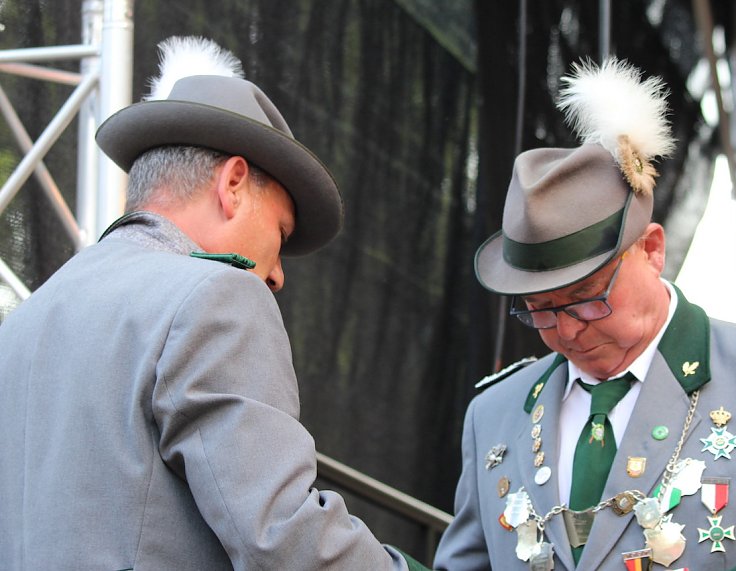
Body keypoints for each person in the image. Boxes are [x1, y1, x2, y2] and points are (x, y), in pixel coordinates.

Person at [0, 36, 426, 570]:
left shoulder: (21, 324)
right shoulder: (215, 294)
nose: (277, 274)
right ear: (234, 183)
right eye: (281, 232)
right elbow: (282, 536)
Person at [434, 57, 736, 571]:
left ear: (653, 249)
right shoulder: (494, 413)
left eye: (588, 297)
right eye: (540, 310)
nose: (567, 329)